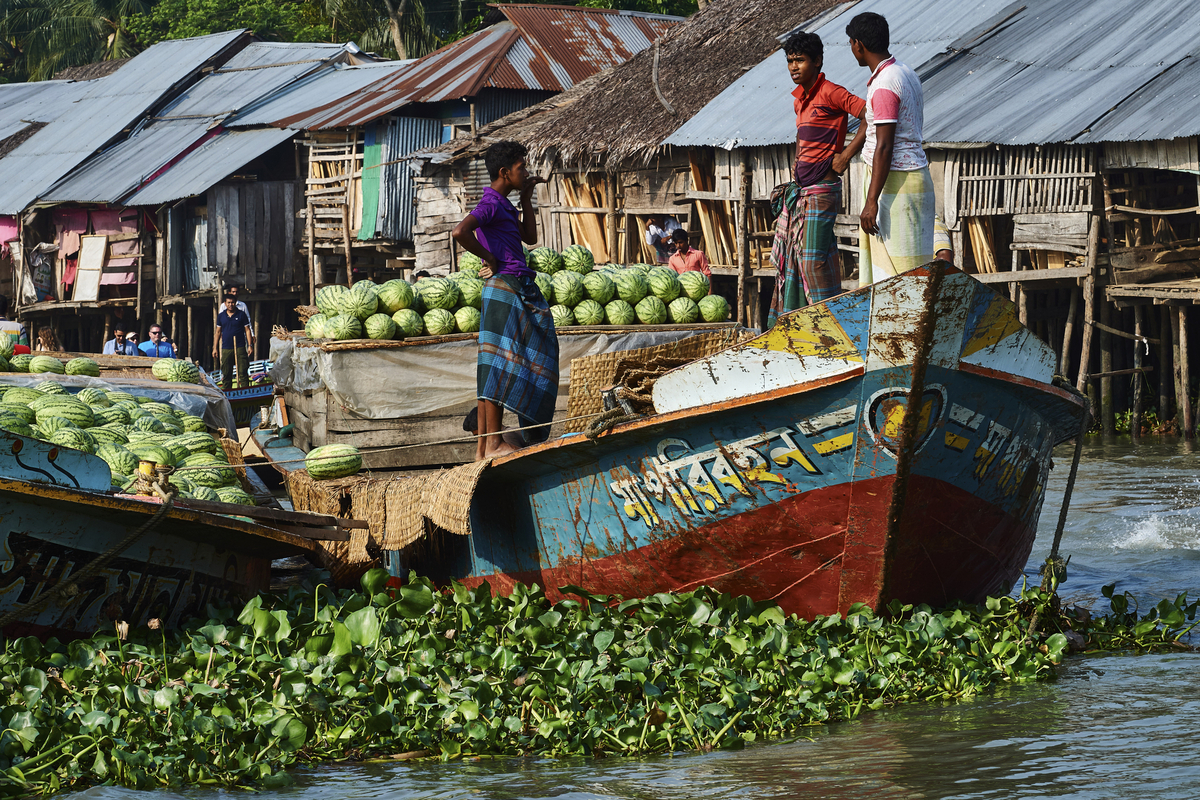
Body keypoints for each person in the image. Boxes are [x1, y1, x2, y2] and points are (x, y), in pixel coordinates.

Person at [451, 140, 558, 461]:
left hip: (510, 286)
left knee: (495, 363)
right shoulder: (491, 204)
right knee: (503, 363)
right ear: (504, 172)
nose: (525, 172)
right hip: (507, 288)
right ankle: (494, 443)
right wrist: (489, 258)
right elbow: (460, 232)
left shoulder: (504, 204)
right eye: (521, 168)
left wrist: (526, 198)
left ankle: (485, 447)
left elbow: (530, 237)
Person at [768, 31, 866, 326]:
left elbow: (870, 114)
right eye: (790, 61)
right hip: (802, 190)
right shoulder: (800, 100)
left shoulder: (831, 92)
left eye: (800, 60)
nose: (794, 67)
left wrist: (846, 155)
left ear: (818, 61)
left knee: (812, 262)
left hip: (822, 189)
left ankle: (828, 326)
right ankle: (798, 325)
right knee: (797, 261)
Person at [848, 12, 935, 286]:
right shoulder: (906, 73)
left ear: (858, 44)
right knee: (911, 269)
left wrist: (871, 200)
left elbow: (885, 145)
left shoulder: (885, 84)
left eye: (851, 43)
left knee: (900, 276)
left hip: (897, 183)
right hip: (914, 177)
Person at [213, 294, 253, 392]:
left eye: (232, 303)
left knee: (243, 371)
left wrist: (250, 345)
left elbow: (247, 330)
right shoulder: (221, 316)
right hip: (226, 347)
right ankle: (227, 393)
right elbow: (218, 332)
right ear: (225, 304)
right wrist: (215, 348)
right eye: (229, 303)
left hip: (239, 346)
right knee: (226, 372)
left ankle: (244, 392)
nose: (231, 305)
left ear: (235, 303)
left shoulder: (241, 314)